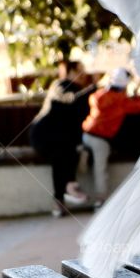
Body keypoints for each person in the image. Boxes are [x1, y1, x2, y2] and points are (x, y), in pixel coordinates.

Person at [29, 59, 95, 216]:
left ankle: (61, 198)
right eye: (80, 70)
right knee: (63, 152)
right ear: (71, 72)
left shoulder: (77, 90)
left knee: (65, 153)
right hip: (43, 135)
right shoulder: (61, 85)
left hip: (58, 138)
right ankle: (69, 188)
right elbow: (68, 99)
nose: (83, 74)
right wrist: (93, 88)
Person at [81, 68, 140, 202]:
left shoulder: (98, 95)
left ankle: (83, 150)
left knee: (96, 160)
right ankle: (100, 199)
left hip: (86, 134)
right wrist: (138, 94)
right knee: (100, 169)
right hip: (101, 140)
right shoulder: (121, 100)